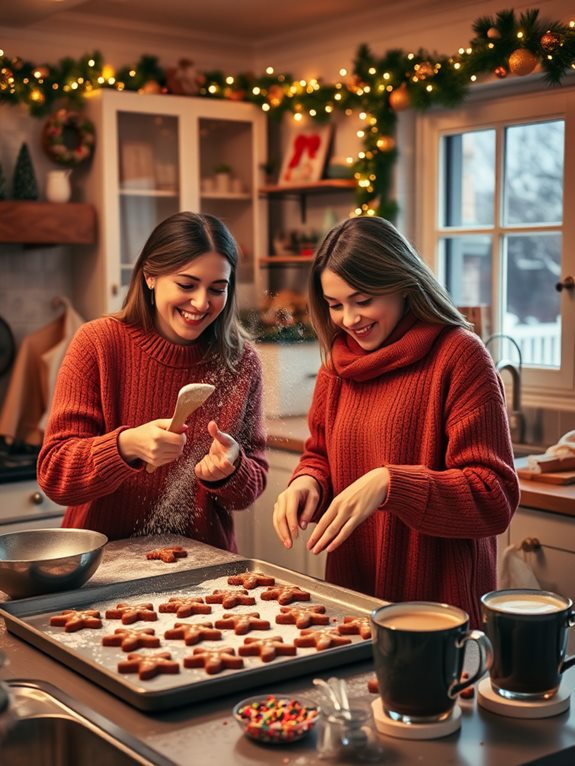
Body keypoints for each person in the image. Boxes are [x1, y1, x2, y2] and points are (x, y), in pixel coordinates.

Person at [272, 216, 519, 627]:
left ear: (402, 283)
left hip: (440, 616)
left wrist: (391, 484)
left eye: (362, 299)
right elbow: (320, 456)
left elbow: (493, 498)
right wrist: (307, 483)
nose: (349, 319)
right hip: (354, 604)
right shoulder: (339, 365)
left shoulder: (459, 356)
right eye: (335, 305)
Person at [38, 211, 268, 549]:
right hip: (100, 567)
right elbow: (55, 476)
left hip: (204, 568)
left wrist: (232, 469)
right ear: (149, 276)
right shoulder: (98, 344)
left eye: (217, 289)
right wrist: (126, 445)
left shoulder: (241, 362)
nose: (202, 302)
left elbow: (250, 489)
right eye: (186, 285)